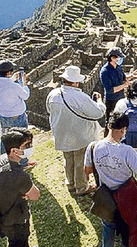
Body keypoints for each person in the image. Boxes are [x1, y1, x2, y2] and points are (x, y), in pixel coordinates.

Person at [84, 112, 137, 247]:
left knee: (107, 227)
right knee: (127, 229)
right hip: (126, 197)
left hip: (105, 196)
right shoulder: (127, 151)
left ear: (108, 126)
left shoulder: (93, 147)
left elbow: (87, 170)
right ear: (124, 130)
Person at [46, 65, 105, 197]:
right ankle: (81, 187)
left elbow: (49, 111)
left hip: (62, 134)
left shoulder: (53, 95)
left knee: (68, 160)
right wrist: (100, 102)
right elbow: (98, 113)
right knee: (80, 162)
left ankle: (71, 184)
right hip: (80, 135)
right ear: (76, 82)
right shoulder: (81, 97)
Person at [0, 127, 40, 247]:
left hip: (1, 215)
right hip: (16, 220)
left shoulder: (1, 161)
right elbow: (35, 195)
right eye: (26, 145)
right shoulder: (19, 176)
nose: (30, 147)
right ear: (14, 151)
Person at [0, 60, 33, 166]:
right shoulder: (14, 86)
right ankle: (23, 162)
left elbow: (3, 85)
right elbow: (25, 96)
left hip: (4, 116)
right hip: (18, 116)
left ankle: (4, 163)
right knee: (23, 140)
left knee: (5, 140)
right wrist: (24, 83)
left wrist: (12, 79)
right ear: (8, 73)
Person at [99, 47, 137, 132]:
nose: (120, 59)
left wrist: (131, 75)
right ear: (112, 58)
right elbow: (110, 90)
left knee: (121, 121)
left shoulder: (118, 67)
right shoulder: (105, 71)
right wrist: (124, 85)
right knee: (110, 122)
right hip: (111, 100)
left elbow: (123, 77)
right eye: (118, 57)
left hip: (121, 98)